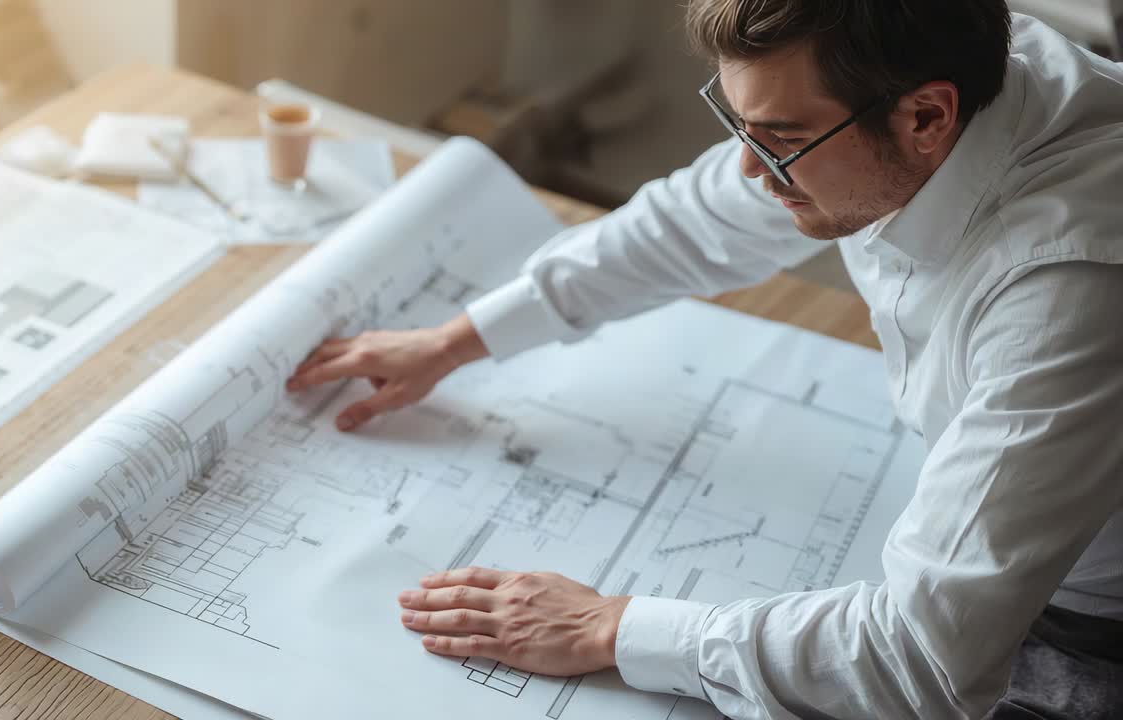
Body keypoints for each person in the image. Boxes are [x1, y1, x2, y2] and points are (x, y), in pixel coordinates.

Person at [284, 1, 1123, 717]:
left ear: (926, 119)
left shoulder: (1069, 289)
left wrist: (611, 628)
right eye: (736, 124)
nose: (752, 170)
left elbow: (925, 663)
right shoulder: (946, 65)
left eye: (780, 141)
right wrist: (455, 340)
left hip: (1083, 623)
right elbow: (697, 221)